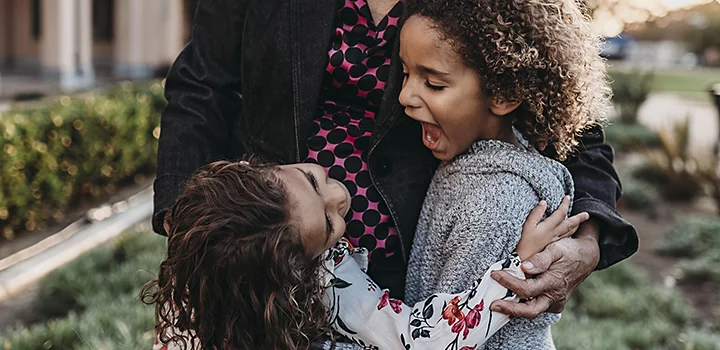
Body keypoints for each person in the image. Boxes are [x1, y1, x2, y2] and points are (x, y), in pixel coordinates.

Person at [154, 0, 637, 340]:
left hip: (412, 269)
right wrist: (198, 241)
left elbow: (570, 120)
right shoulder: (234, 265)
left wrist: (586, 242)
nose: (337, 193)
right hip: (260, 247)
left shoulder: (352, 288)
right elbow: (201, 86)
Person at [143, 160, 585, 349]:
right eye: (332, 226)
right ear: (296, 273)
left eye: (312, 180)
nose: (341, 194)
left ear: (257, 168)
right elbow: (419, 340)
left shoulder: (199, 276)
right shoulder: (326, 281)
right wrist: (517, 264)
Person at [392, 0, 611, 347]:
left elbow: (445, 337)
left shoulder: (492, 205)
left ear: (504, 94)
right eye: (405, 73)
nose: (405, 95)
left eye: (433, 84)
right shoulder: (478, 158)